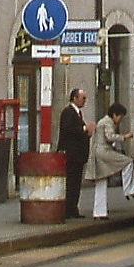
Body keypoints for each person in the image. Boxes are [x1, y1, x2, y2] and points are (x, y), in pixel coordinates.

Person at [84, 102, 134, 220]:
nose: (120, 120)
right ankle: (130, 190)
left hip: (97, 152)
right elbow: (109, 137)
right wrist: (124, 137)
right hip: (104, 152)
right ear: (114, 115)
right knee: (128, 162)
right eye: (120, 117)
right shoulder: (108, 122)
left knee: (101, 182)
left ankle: (99, 212)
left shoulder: (102, 121)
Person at [56, 88, 94, 219]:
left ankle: (73, 208)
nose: (84, 101)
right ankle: (68, 209)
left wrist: (87, 133)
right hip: (72, 155)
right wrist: (84, 128)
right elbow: (67, 130)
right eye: (83, 98)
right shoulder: (68, 112)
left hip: (78, 155)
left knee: (76, 183)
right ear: (75, 98)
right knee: (71, 182)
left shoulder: (78, 113)